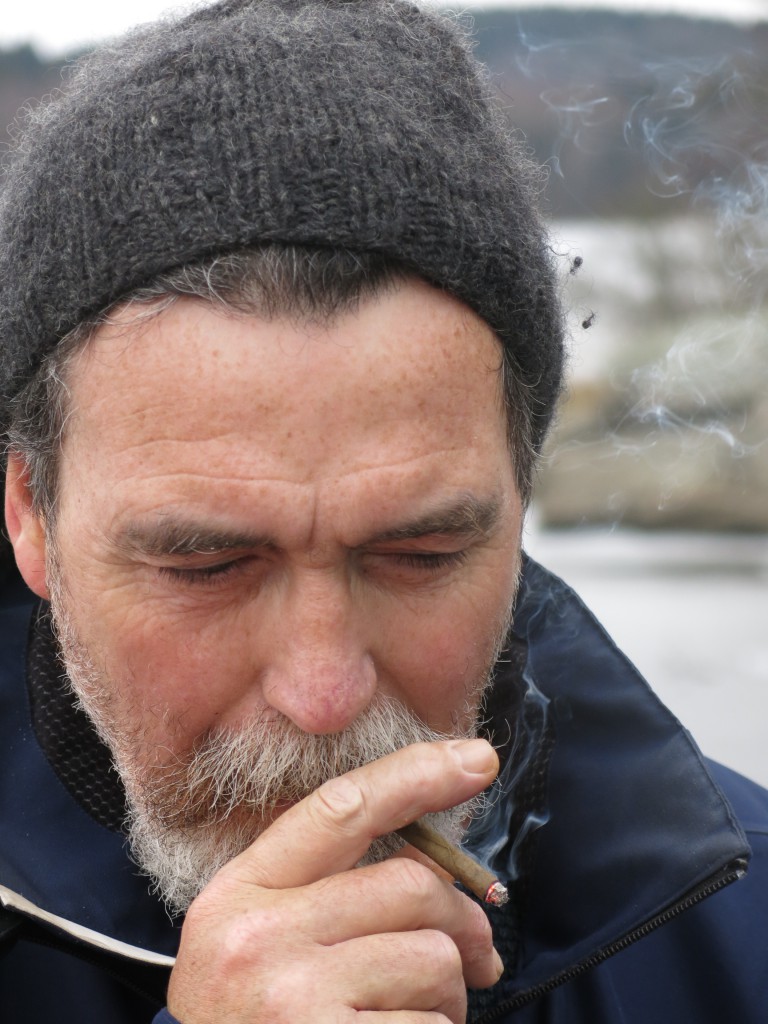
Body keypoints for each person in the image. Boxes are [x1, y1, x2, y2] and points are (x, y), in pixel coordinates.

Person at [0, 1, 765, 1021]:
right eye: (206, 567)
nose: (323, 696)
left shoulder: (741, 927)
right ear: (30, 517)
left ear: (521, 502)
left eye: (420, 554)